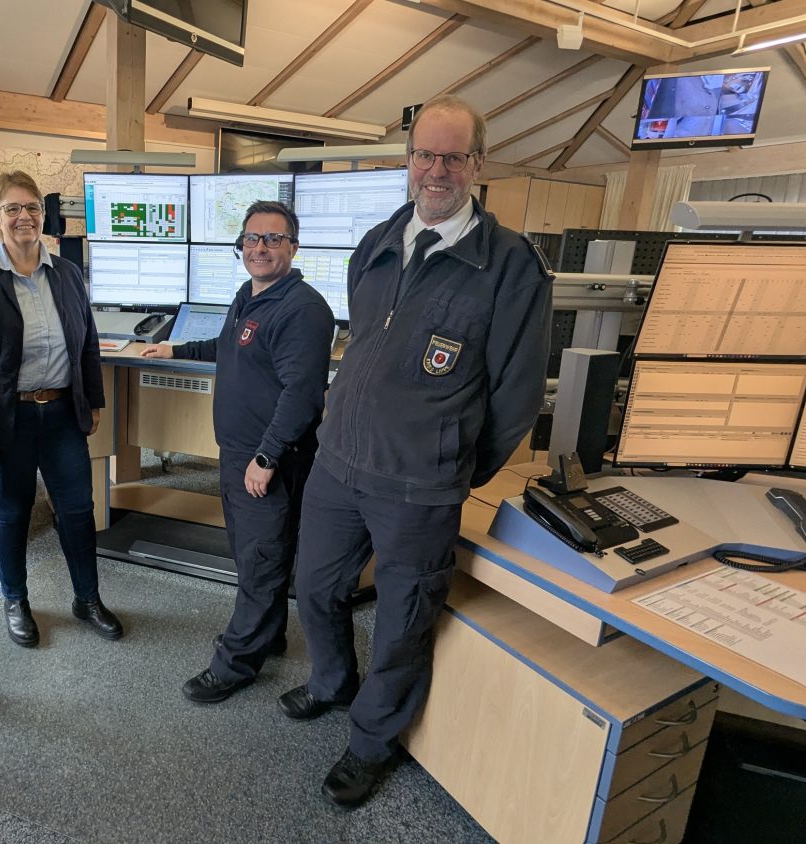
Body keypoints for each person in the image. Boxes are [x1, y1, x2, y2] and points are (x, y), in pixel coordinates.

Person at [283, 96, 552, 808]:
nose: (436, 170)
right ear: (409, 160)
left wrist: (452, 463)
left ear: (477, 165)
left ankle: (372, 741)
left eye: (452, 157)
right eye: (424, 155)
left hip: (419, 488)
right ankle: (332, 681)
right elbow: (362, 340)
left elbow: (517, 395)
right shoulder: (377, 241)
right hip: (338, 465)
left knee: (403, 622)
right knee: (315, 586)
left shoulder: (511, 266)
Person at [142, 201, 335, 703]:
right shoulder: (249, 296)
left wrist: (267, 457)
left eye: (273, 238)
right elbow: (229, 346)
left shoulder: (303, 309)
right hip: (238, 453)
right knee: (252, 555)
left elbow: (302, 395)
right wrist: (177, 349)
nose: (260, 247)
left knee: (262, 558)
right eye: (251, 238)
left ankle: (235, 662)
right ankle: (268, 635)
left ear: (293, 247)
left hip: (267, 458)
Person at [0, 171, 122, 648]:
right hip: (8, 419)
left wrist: (92, 401)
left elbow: (86, 341)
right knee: (12, 512)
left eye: (31, 207)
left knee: (78, 510)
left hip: (63, 414)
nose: (23, 216)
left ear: (42, 215)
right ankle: (15, 600)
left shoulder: (66, 274)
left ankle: (87, 599)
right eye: (12, 208)